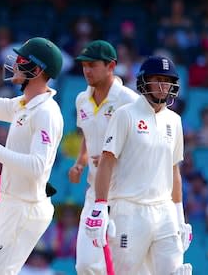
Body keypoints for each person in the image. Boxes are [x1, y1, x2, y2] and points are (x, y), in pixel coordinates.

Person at [0, 25, 63, 274]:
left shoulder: (46, 112)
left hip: (25, 207)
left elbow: (38, 166)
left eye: (22, 60)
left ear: (37, 70)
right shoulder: (24, 104)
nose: (15, 64)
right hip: (10, 203)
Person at [84, 56, 193, 274]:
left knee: (175, 271)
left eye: (168, 80)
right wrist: (100, 207)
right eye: (158, 79)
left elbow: (174, 170)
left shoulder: (174, 120)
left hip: (164, 212)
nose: (164, 86)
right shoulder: (125, 115)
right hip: (128, 210)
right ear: (144, 81)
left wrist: (180, 216)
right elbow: (106, 161)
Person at [68, 40, 139, 274]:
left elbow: (143, 145)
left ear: (111, 66)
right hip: (94, 192)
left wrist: (113, 157)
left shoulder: (129, 101)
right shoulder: (81, 99)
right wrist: (81, 162)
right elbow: (88, 135)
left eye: (92, 65)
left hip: (124, 195)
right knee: (86, 265)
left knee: (123, 266)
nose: (87, 71)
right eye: (84, 66)